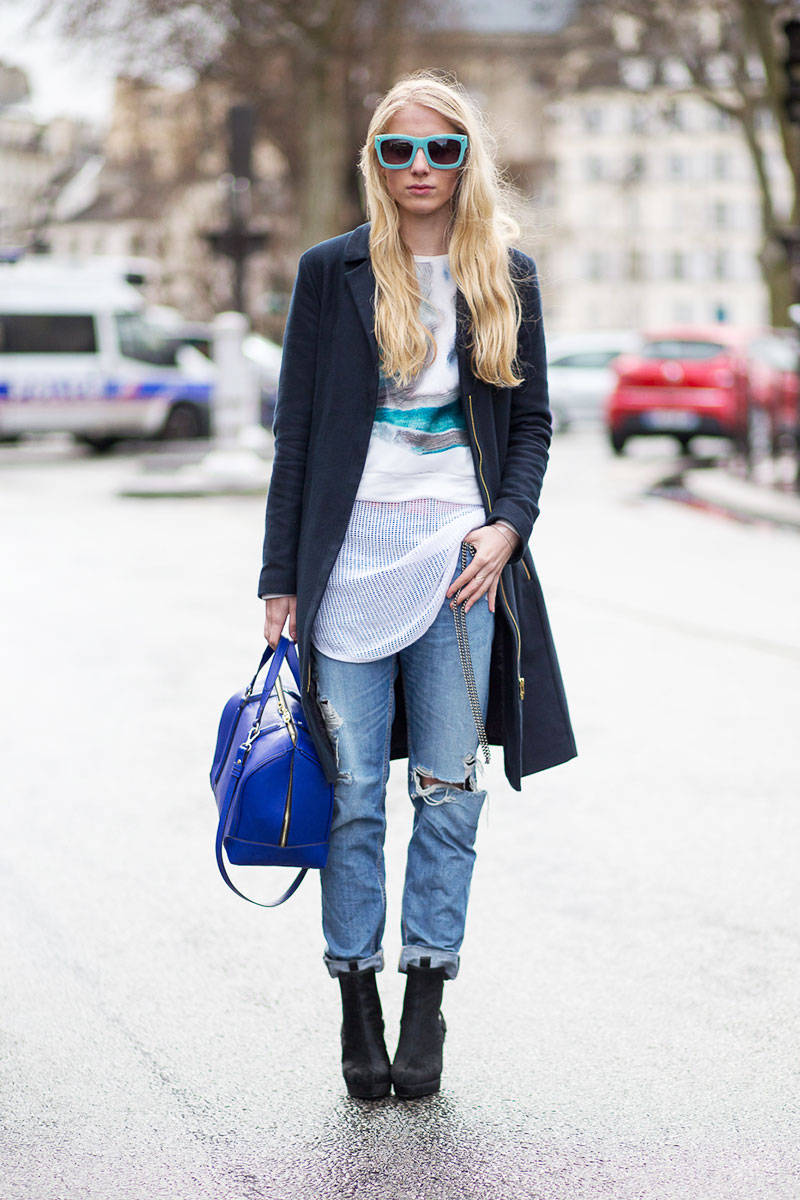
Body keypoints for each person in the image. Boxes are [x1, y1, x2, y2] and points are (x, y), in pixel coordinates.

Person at [258, 70, 576, 1101]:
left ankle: (426, 996)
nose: (421, 167)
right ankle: (355, 996)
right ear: (375, 162)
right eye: (399, 150)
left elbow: (530, 425)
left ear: (467, 157)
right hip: (345, 565)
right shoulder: (332, 271)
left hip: (459, 570)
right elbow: (295, 434)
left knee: (446, 791)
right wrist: (278, 578)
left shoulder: (506, 274)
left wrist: (507, 529)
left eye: (442, 148)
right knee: (352, 796)